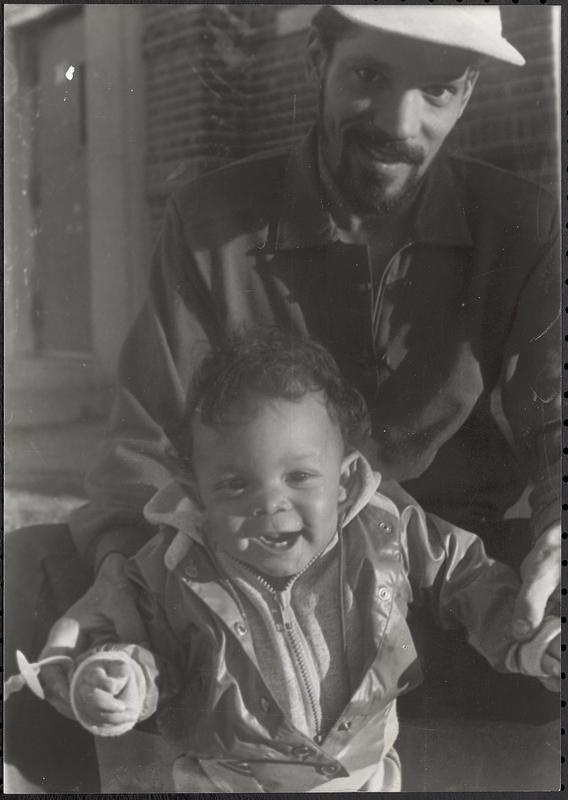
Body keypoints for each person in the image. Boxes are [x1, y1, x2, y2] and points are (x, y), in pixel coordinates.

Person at [5, 4, 560, 792]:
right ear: (316, 58)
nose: (402, 124)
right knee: (31, 577)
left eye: (440, 90)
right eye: (370, 76)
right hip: (241, 575)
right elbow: (144, 438)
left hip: (444, 582)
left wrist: (554, 530)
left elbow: (556, 410)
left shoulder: (525, 222)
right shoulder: (212, 222)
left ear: (469, 90)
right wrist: (128, 588)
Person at [16, 328, 560, 793]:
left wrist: (530, 640)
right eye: (233, 484)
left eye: (299, 477)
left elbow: (466, 573)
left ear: (346, 480)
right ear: (197, 494)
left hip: (362, 778)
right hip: (225, 781)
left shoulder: (385, 530)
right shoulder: (173, 565)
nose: (269, 504)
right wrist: (117, 679)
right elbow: (129, 639)